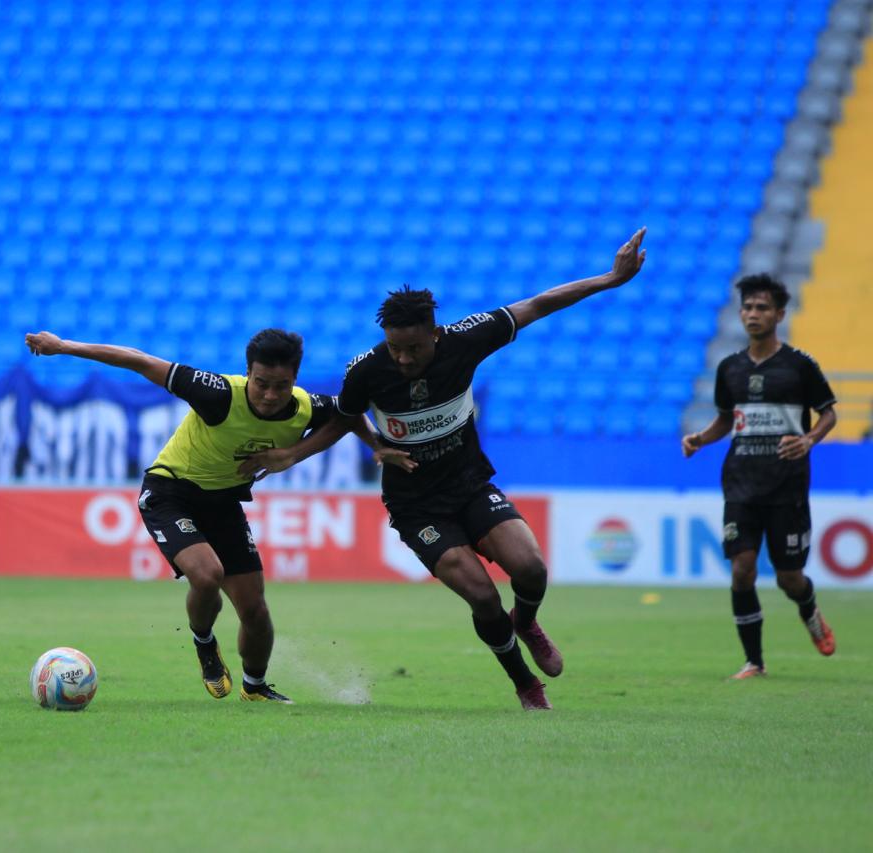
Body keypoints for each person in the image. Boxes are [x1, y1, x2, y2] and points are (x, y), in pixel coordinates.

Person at [241, 229, 648, 710]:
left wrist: (609, 279)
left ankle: (528, 620)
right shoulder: (365, 371)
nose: (403, 358)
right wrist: (332, 450)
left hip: (470, 483)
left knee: (531, 568)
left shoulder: (465, 340)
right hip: (416, 505)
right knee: (481, 595)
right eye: (395, 348)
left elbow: (536, 305)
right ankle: (526, 685)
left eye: (413, 348)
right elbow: (346, 416)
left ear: (435, 334)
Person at [25, 327, 352, 704]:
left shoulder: (306, 407)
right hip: (169, 493)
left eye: (281, 386)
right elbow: (140, 359)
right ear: (248, 372)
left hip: (222, 503)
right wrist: (64, 346)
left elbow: (349, 415)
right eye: (261, 383)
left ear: (295, 378)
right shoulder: (217, 394)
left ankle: (255, 688)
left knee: (255, 611)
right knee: (207, 574)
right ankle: (204, 642)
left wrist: (297, 453)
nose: (270, 395)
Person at [682, 273, 837, 679]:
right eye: (748, 307)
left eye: (762, 307)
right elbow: (724, 420)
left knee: (789, 578)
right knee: (742, 569)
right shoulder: (730, 368)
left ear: (779, 314)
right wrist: (701, 438)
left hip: (787, 485)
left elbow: (829, 412)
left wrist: (809, 440)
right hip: (740, 483)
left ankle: (809, 610)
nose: (753, 314)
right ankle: (754, 662)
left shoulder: (800, 366)